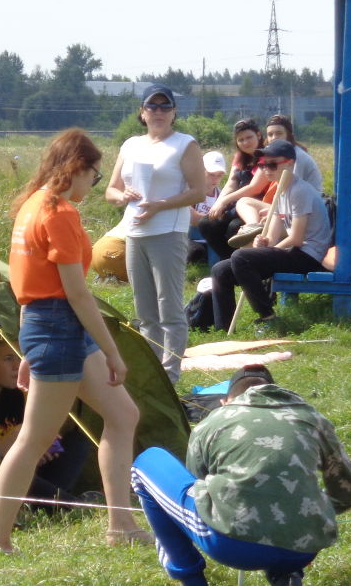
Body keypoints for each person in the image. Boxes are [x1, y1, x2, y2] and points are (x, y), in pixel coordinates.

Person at [0, 128, 149, 555]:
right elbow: (76, 294)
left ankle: (121, 526)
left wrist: (27, 349)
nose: (92, 186)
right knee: (35, 438)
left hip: (47, 326)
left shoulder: (32, 205)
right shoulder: (59, 213)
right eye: (94, 177)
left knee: (124, 415)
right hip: (58, 327)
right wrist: (112, 351)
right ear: (77, 168)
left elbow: (26, 284)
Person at [131, 364, 351, 586]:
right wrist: (307, 515)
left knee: (146, 461)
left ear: (224, 401)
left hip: (231, 545)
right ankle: (287, 577)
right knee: (289, 506)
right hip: (304, 549)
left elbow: (197, 486)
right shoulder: (312, 418)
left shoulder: (213, 422)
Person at [104, 85, 206, 382]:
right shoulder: (130, 145)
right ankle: (152, 376)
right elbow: (111, 190)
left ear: (174, 113)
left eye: (165, 107)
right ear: (142, 112)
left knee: (170, 308)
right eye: (153, 106)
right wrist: (122, 198)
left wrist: (161, 205)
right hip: (135, 232)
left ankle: (170, 375)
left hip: (168, 231)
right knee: (145, 310)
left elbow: (198, 191)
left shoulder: (184, 144)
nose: (158, 112)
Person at [210, 140, 333, 331]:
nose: (266, 169)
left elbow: (297, 239)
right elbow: (273, 237)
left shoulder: (299, 191)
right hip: (293, 251)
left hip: (308, 255)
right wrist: (264, 241)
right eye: (262, 165)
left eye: (272, 164)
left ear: (290, 163)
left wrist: (268, 250)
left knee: (241, 257)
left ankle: (268, 317)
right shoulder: (280, 191)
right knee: (220, 270)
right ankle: (223, 329)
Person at [0, 335, 89, 505]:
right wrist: (13, 439)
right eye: (8, 358)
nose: (17, 366)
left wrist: (37, 447)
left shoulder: (13, 394)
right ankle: (71, 505)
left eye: (20, 357)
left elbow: (25, 446)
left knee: (77, 442)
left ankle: (49, 503)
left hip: (27, 472)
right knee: (12, 469)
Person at [226, 114, 324, 249]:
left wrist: (273, 215)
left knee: (245, 243)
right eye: (270, 134)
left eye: (279, 133)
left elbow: (293, 195)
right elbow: (280, 194)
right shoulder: (273, 156)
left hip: (304, 212)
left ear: (289, 134)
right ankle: (252, 227)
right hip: (286, 207)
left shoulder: (295, 158)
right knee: (243, 202)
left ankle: (255, 237)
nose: (274, 137)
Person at [198, 118, 269, 260]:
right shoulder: (240, 157)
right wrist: (219, 203)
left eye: (249, 137)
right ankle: (228, 262)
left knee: (234, 228)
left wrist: (225, 201)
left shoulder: (266, 157)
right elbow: (231, 182)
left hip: (255, 206)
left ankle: (240, 263)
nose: (245, 142)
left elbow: (255, 187)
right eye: (240, 140)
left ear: (259, 135)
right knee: (207, 223)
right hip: (235, 205)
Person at [187, 151, 228, 266]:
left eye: (219, 175)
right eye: (211, 174)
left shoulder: (221, 195)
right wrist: (215, 220)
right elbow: (192, 218)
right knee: (195, 252)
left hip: (211, 236)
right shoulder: (189, 190)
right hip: (189, 235)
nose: (215, 179)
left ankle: (214, 268)